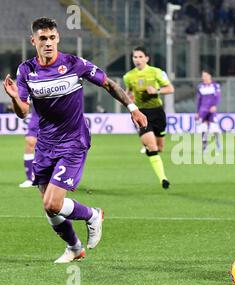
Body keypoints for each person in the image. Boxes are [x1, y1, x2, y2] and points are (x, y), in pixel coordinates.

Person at [2, 17, 147, 263]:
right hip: (45, 143)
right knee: (48, 208)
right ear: (33, 41)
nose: (48, 43)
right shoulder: (26, 70)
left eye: (52, 38)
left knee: (53, 203)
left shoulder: (73, 63)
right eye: (42, 39)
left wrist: (133, 107)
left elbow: (108, 84)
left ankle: (92, 215)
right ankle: (74, 247)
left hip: (73, 141)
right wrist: (15, 97)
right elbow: (24, 112)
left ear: (57, 38)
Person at [123, 47, 174, 189]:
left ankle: (150, 148)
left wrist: (156, 90)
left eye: (140, 57)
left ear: (146, 58)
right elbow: (129, 93)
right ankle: (163, 179)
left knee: (160, 147)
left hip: (157, 113)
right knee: (152, 147)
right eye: (135, 57)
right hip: (141, 113)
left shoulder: (156, 72)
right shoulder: (128, 77)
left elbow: (170, 88)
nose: (137, 60)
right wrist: (129, 100)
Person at [196, 69, 222, 152]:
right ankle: (204, 147)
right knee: (203, 129)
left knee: (214, 127)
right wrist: (197, 112)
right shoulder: (200, 87)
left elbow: (218, 97)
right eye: (203, 76)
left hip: (211, 110)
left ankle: (218, 143)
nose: (203, 77)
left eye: (205, 76)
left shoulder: (215, 86)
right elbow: (199, 100)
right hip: (203, 110)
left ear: (209, 76)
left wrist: (214, 106)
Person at [19, 106, 39, 188]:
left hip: (57, 116)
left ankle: (58, 179)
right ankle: (30, 179)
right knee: (30, 142)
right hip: (38, 115)